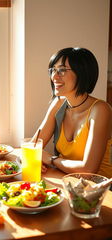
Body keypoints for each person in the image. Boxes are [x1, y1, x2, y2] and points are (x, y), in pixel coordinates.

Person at [33, 47, 112, 179]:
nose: (54, 76)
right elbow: (32, 147)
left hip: (100, 191)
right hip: (68, 181)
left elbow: (88, 170)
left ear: (82, 73)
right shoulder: (58, 103)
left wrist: (50, 159)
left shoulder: (100, 109)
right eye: (53, 70)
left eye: (62, 70)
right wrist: (38, 158)